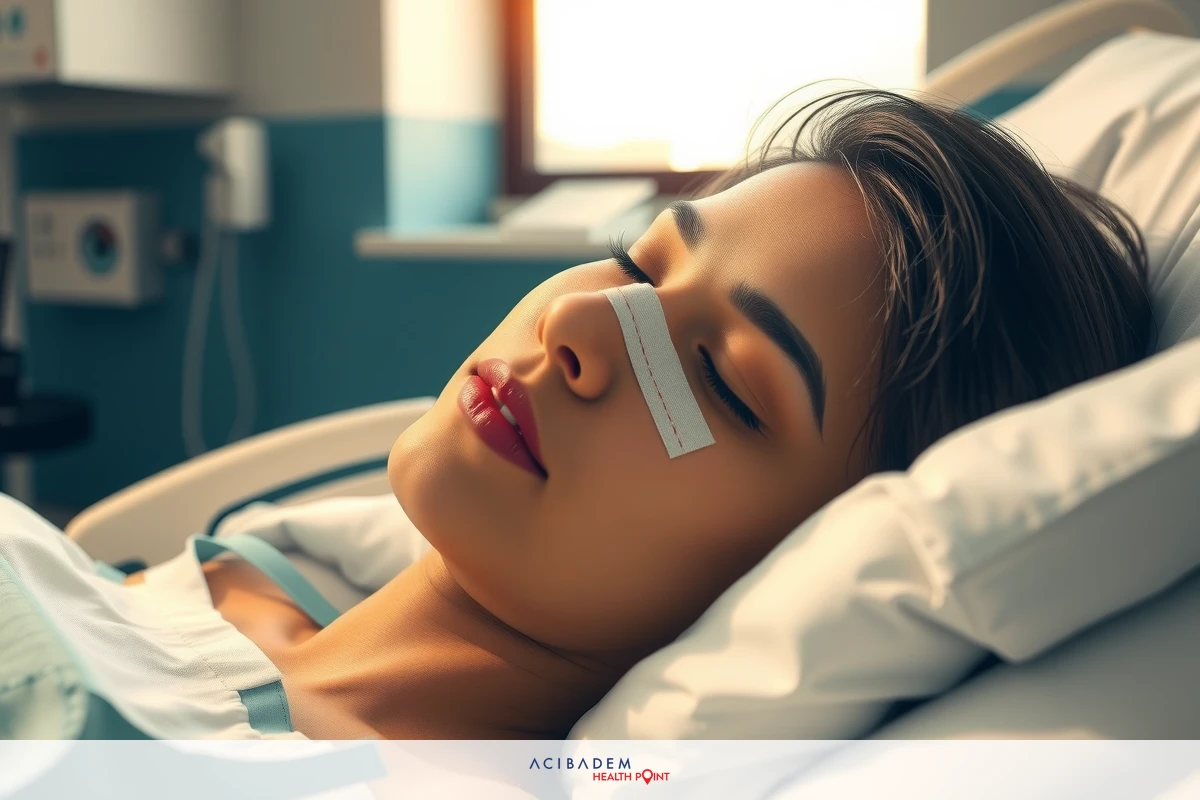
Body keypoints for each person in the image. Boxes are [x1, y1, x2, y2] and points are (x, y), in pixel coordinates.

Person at [131, 87, 1148, 738]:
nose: (577, 319)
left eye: (717, 377)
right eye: (638, 262)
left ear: (805, 551)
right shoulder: (230, 578)